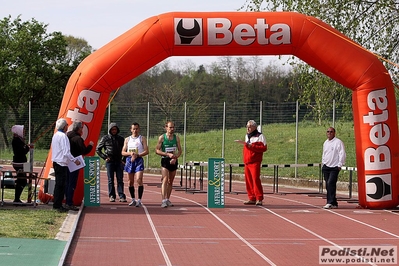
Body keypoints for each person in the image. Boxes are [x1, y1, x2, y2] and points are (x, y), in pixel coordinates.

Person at [51, 118, 81, 212]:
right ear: (64, 127)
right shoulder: (63, 137)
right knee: (61, 185)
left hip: (56, 161)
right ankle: (58, 205)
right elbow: (66, 152)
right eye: (67, 125)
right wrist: (74, 160)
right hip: (61, 163)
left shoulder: (55, 135)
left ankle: (57, 203)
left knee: (58, 184)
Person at [66, 120, 94, 211]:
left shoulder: (67, 136)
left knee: (66, 182)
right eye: (81, 128)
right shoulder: (78, 139)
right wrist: (90, 145)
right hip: (74, 163)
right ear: (78, 129)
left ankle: (65, 201)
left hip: (65, 162)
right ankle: (69, 202)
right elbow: (84, 151)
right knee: (72, 183)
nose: (82, 129)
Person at [96, 123, 126, 202]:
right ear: (110, 130)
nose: (114, 131)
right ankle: (112, 195)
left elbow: (126, 149)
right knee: (110, 179)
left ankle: (121, 195)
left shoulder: (121, 139)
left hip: (119, 161)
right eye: (112, 129)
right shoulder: (105, 138)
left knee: (120, 179)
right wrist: (105, 157)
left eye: (115, 129)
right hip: (110, 162)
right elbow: (98, 149)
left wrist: (124, 159)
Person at [121, 122, 149, 207]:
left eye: (136, 129)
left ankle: (139, 200)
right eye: (133, 129)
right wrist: (130, 153)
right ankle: (133, 199)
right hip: (129, 160)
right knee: (130, 182)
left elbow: (146, 151)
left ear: (139, 129)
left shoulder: (142, 138)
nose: (135, 130)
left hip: (139, 160)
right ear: (131, 130)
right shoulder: (127, 139)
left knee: (139, 179)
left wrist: (138, 155)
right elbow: (122, 152)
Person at [155, 121, 182, 208]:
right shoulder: (162, 138)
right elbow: (157, 150)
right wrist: (167, 154)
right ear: (166, 128)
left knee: (170, 181)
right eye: (170, 127)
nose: (172, 129)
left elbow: (180, 150)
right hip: (165, 160)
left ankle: (167, 199)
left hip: (173, 160)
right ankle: (163, 200)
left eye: (173, 127)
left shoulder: (176, 138)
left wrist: (175, 157)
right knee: (165, 179)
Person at [242, 120, 267, 206]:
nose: (247, 128)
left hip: (255, 162)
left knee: (255, 179)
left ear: (254, 127)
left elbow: (263, 148)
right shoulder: (247, 136)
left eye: (249, 126)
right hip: (247, 162)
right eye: (247, 126)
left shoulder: (260, 136)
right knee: (248, 181)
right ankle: (251, 197)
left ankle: (259, 198)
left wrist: (251, 146)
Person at [322, 127, 346, 209]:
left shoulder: (338, 142)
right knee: (328, 185)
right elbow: (324, 154)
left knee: (330, 183)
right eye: (328, 131)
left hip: (334, 167)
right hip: (326, 166)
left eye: (331, 132)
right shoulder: (325, 142)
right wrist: (323, 163)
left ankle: (330, 202)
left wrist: (340, 165)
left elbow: (342, 153)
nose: (329, 133)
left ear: (334, 133)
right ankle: (334, 202)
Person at [11, 125, 32, 204]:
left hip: (23, 162)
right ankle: (16, 199)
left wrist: (26, 147)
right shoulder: (16, 141)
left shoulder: (20, 140)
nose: (24, 132)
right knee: (22, 180)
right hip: (19, 163)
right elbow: (21, 151)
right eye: (23, 131)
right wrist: (27, 148)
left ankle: (17, 198)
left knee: (23, 180)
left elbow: (24, 150)